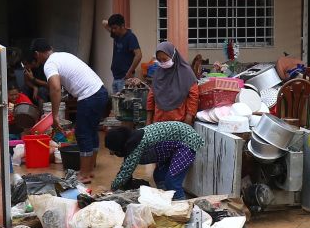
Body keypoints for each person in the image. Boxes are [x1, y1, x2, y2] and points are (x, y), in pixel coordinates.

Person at [31, 38, 108, 184]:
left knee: (83, 133)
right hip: (101, 91)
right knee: (91, 131)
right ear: (50, 47)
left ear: (37, 54)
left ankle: (84, 174)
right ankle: (90, 169)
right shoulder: (63, 55)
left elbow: (55, 87)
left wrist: (54, 116)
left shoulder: (50, 64)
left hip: (89, 96)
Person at [105, 122, 204, 194]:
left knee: (172, 182)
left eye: (112, 150)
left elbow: (126, 172)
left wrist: (111, 190)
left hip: (186, 141)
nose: (111, 153)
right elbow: (125, 167)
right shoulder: (132, 139)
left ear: (118, 144)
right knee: (159, 176)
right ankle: (167, 201)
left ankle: (181, 207)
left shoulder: (135, 145)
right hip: (172, 147)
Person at [147, 41, 199, 124]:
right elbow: (152, 96)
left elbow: (193, 95)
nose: (163, 63)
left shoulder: (186, 72)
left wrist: (189, 116)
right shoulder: (158, 73)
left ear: (173, 56)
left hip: (179, 121)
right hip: (159, 121)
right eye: (159, 60)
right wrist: (148, 121)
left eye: (165, 59)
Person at [104, 14, 141, 95]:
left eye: (115, 28)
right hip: (116, 77)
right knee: (116, 104)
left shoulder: (130, 37)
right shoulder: (116, 35)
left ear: (122, 26)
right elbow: (104, 23)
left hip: (125, 78)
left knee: (124, 105)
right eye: (112, 28)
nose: (113, 30)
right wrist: (112, 24)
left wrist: (129, 72)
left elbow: (138, 55)